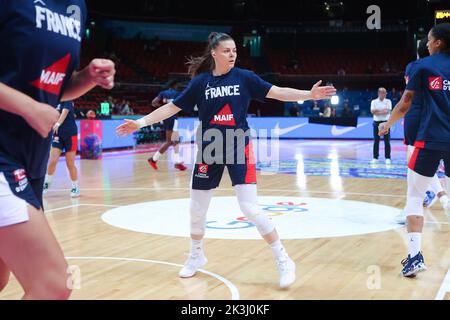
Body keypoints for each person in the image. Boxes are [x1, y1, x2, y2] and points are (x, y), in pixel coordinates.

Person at [116, 32, 336, 288]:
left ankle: (283, 258)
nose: (232, 54)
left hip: (238, 146)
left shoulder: (245, 77)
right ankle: (196, 255)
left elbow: (278, 92)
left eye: (234, 50)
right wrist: (139, 122)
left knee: (249, 208)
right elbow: (171, 108)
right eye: (227, 50)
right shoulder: (200, 83)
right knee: (197, 210)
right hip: (209, 149)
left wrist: (309, 94)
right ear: (214, 53)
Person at [0, 0, 115, 299]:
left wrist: (88, 77)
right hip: (3, 157)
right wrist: (28, 108)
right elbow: (34, 99)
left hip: (29, 159)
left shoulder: (75, 7)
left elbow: (55, 87)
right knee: (53, 285)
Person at [379, 23, 450, 277]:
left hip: (429, 138)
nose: (428, 44)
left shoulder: (422, 66)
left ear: (438, 42)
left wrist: (387, 124)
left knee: (414, 197)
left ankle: (415, 257)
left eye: (430, 40)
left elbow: (405, 103)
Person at [402, 38, 448, 215]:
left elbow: (408, 99)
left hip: (420, 121)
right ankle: (439, 197)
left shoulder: (416, 67)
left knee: (415, 165)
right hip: (436, 121)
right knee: (419, 165)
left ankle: (420, 204)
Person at [43, 101, 80, 198]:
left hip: (70, 134)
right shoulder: (53, 99)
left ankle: (75, 187)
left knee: (70, 164)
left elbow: (65, 112)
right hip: (57, 135)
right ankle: (46, 184)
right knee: (52, 161)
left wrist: (58, 123)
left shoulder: (67, 99)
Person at [148, 80, 187, 171]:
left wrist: (163, 108)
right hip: (172, 118)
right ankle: (153, 159)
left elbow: (153, 102)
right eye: (177, 85)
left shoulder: (163, 93)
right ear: (175, 85)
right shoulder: (177, 93)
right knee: (170, 141)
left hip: (167, 117)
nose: (178, 86)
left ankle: (176, 162)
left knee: (175, 141)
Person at [370, 87, 392, 165]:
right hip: (376, 122)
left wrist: (378, 111)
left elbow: (388, 111)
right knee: (376, 141)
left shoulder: (388, 101)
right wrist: (383, 111)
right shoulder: (374, 102)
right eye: (383, 93)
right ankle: (375, 158)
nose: (385, 94)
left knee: (387, 141)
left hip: (386, 123)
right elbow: (373, 111)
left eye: (386, 93)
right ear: (379, 93)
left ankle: (388, 158)